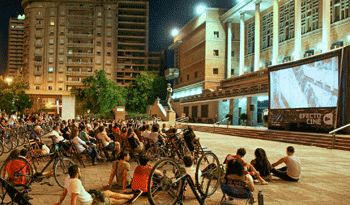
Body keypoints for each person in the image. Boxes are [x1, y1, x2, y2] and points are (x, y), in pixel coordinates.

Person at [52, 165, 142, 205]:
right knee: (113, 201)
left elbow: (64, 192)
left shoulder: (68, 179)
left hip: (90, 196)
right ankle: (130, 198)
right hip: (91, 202)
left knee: (108, 192)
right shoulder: (76, 182)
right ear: (76, 174)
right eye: (80, 172)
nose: (80, 173)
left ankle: (130, 196)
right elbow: (73, 199)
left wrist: (60, 202)